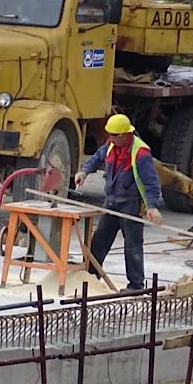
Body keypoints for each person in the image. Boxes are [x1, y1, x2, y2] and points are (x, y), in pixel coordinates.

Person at [74, 114, 164, 291]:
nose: (111, 138)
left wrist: (152, 206)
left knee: (132, 245)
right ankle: (90, 275)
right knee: (100, 240)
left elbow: (152, 182)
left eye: (115, 135)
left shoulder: (140, 152)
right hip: (112, 201)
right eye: (110, 135)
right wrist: (84, 172)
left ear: (126, 134)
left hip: (131, 203)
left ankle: (136, 285)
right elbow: (96, 159)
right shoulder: (110, 145)